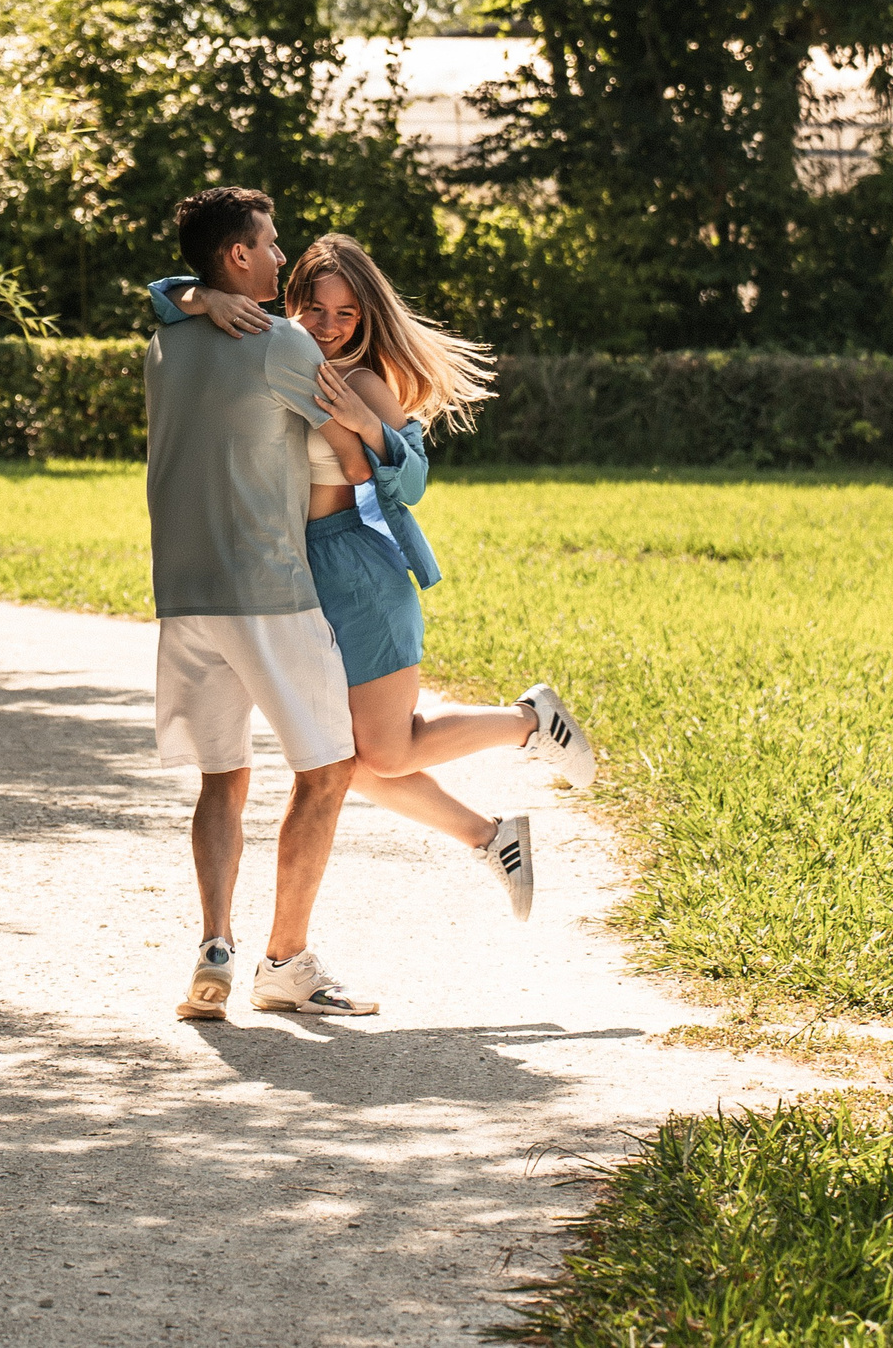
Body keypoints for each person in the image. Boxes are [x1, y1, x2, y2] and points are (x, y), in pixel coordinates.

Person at [150, 234, 599, 919]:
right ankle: (493, 837)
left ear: (366, 321)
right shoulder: (274, 351)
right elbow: (165, 295)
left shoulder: (359, 382)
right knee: (343, 761)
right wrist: (201, 293)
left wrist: (366, 423)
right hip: (289, 576)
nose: (328, 327)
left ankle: (528, 721)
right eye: (314, 308)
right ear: (288, 301)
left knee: (385, 752)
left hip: (352, 570)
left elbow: (410, 482)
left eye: (347, 315)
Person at [146, 187, 376, 1022]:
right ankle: (284, 962)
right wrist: (366, 442)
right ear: (237, 255)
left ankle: (215, 944)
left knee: (223, 777)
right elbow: (353, 462)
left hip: (183, 594)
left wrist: (190, 292)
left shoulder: (165, 337)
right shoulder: (279, 341)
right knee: (329, 767)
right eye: (271, 246)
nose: (283, 259)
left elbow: (166, 293)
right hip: (268, 591)